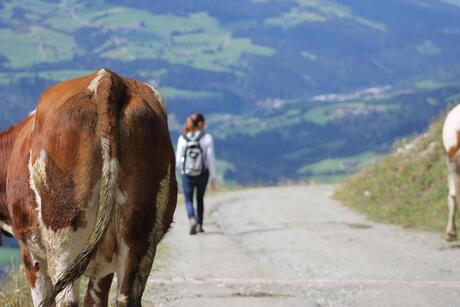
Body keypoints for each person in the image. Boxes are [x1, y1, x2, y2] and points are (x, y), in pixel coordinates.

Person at [176, 113, 217, 235]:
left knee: (188, 199)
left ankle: (191, 219)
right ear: (200, 124)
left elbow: (178, 160)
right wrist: (213, 176)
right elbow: (210, 158)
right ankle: (200, 224)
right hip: (202, 174)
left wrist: (183, 170)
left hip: (187, 174)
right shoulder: (207, 138)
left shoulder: (182, 138)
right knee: (200, 198)